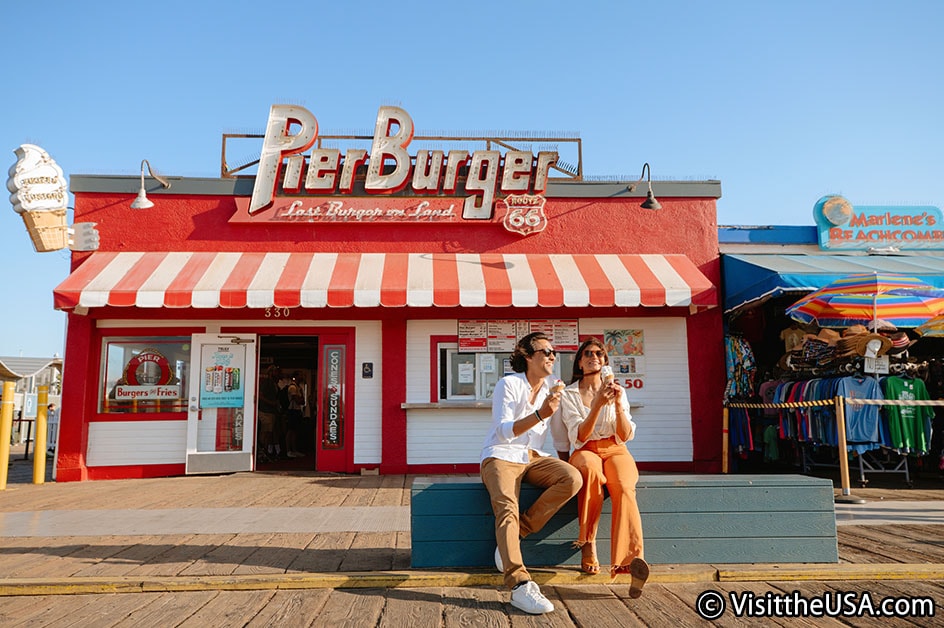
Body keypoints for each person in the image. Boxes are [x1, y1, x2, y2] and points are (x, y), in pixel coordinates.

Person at [480, 332, 582, 615]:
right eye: (545, 351)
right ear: (527, 356)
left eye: (554, 352)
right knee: (507, 508)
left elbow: (559, 432)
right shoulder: (509, 384)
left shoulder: (553, 388)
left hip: (534, 458)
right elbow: (503, 430)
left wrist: (570, 457)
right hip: (500, 454)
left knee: (572, 478)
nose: (552, 356)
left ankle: (516, 535)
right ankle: (519, 584)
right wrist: (540, 414)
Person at [552, 337, 649, 598]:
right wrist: (597, 405)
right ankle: (588, 542)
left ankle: (630, 563)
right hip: (585, 450)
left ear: (605, 361)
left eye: (599, 353)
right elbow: (580, 435)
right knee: (591, 471)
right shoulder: (569, 394)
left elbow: (626, 434)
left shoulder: (618, 390)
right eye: (587, 354)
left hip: (616, 448)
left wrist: (617, 404)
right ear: (580, 363)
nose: (594, 357)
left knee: (625, 487)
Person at [257, 365, 281, 462]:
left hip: (271, 411)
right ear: (271, 372)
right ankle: (262, 452)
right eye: (275, 372)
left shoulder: (274, 384)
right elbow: (260, 395)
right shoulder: (266, 382)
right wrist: (271, 403)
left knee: (270, 432)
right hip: (265, 411)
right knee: (265, 433)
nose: (277, 374)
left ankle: (267, 452)